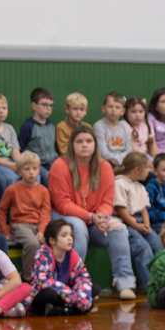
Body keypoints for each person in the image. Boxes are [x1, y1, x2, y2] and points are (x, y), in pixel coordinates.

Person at [48, 125, 136, 300]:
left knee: (117, 226)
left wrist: (102, 217)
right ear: (71, 144)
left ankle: (125, 283)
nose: (84, 145)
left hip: (95, 218)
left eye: (89, 141)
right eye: (79, 141)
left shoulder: (104, 167)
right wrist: (91, 216)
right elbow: (63, 204)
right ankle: (75, 284)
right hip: (65, 217)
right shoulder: (60, 166)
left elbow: (107, 201)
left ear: (95, 144)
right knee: (78, 228)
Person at [0, 151, 51, 281]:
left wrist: (42, 230)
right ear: (19, 172)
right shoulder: (12, 189)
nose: (31, 172)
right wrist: (4, 231)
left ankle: (47, 277)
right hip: (20, 226)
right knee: (33, 243)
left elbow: (46, 213)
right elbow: (1, 211)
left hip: (39, 225)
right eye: (27, 169)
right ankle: (27, 276)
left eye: (34, 168)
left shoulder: (43, 190)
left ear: (39, 170)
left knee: (55, 240)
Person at [24, 219, 96, 316]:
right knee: (48, 294)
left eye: (70, 235)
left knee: (95, 287)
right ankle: (70, 309)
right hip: (50, 293)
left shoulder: (72, 255)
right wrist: (75, 297)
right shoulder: (42, 254)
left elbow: (82, 277)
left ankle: (62, 309)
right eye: (64, 235)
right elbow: (44, 282)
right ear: (52, 240)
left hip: (66, 294)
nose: (70, 238)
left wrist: (81, 295)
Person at [113, 151, 159, 291]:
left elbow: (144, 209)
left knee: (159, 245)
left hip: (139, 222)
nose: (149, 172)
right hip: (127, 222)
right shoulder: (120, 183)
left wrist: (146, 225)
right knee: (143, 248)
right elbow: (121, 210)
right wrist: (137, 226)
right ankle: (151, 287)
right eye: (147, 168)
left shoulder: (140, 186)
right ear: (138, 170)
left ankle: (164, 282)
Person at [18, 87, 58, 187]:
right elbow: (21, 148)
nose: (48, 108)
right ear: (34, 105)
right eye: (44, 105)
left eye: (51, 106)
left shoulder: (52, 125)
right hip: (35, 165)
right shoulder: (28, 126)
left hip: (52, 163)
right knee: (46, 176)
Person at [94, 92, 132, 168]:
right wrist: (115, 159)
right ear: (103, 109)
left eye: (117, 107)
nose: (113, 110)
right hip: (107, 162)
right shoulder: (99, 126)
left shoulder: (125, 127)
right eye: (110, 106)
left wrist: (119, 159)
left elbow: (129, 150)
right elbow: (102, 152)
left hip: (122, 161)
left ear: (123, 111)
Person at [55, 92, 90, 157]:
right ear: (67, 109)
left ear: (86, 111)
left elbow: (94, 147)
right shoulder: (61, 127)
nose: (78, 112)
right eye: (75, 109)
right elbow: (64, 150)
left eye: (82, 109)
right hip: (70, 161)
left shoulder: (88, 127)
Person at [125, 96, 158, 161]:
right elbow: (132, 150)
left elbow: (154, 147)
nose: (138, 115)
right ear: (125, 112)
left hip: (147, 156)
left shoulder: (147, 124)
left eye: (141, 111)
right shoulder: (124, 125)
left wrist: (158, 160)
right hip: (133, 158)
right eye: (133, 111)